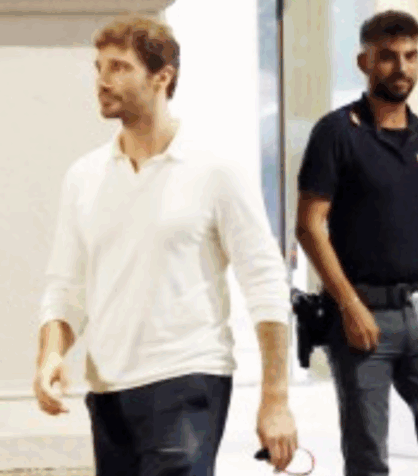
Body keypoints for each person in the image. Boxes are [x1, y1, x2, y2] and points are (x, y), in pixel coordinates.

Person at [32, 14, 299, 475]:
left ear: (163, 77)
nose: (103, 81)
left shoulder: (214, 168)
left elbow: (265, 282)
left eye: (119, 67)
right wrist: (51, 354)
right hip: (108, 392)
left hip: (188, 381)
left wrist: (275, 399)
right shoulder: (84, 177)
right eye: (99, 67)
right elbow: (65, 287)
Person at [295, 10, 418, 476]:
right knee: (368, 459)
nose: (402, 68)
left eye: (411, 56)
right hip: (361, 317)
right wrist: (349, 305)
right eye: (389, 57)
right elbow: (309, 226)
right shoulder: (336, 133)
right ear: (365, 62)